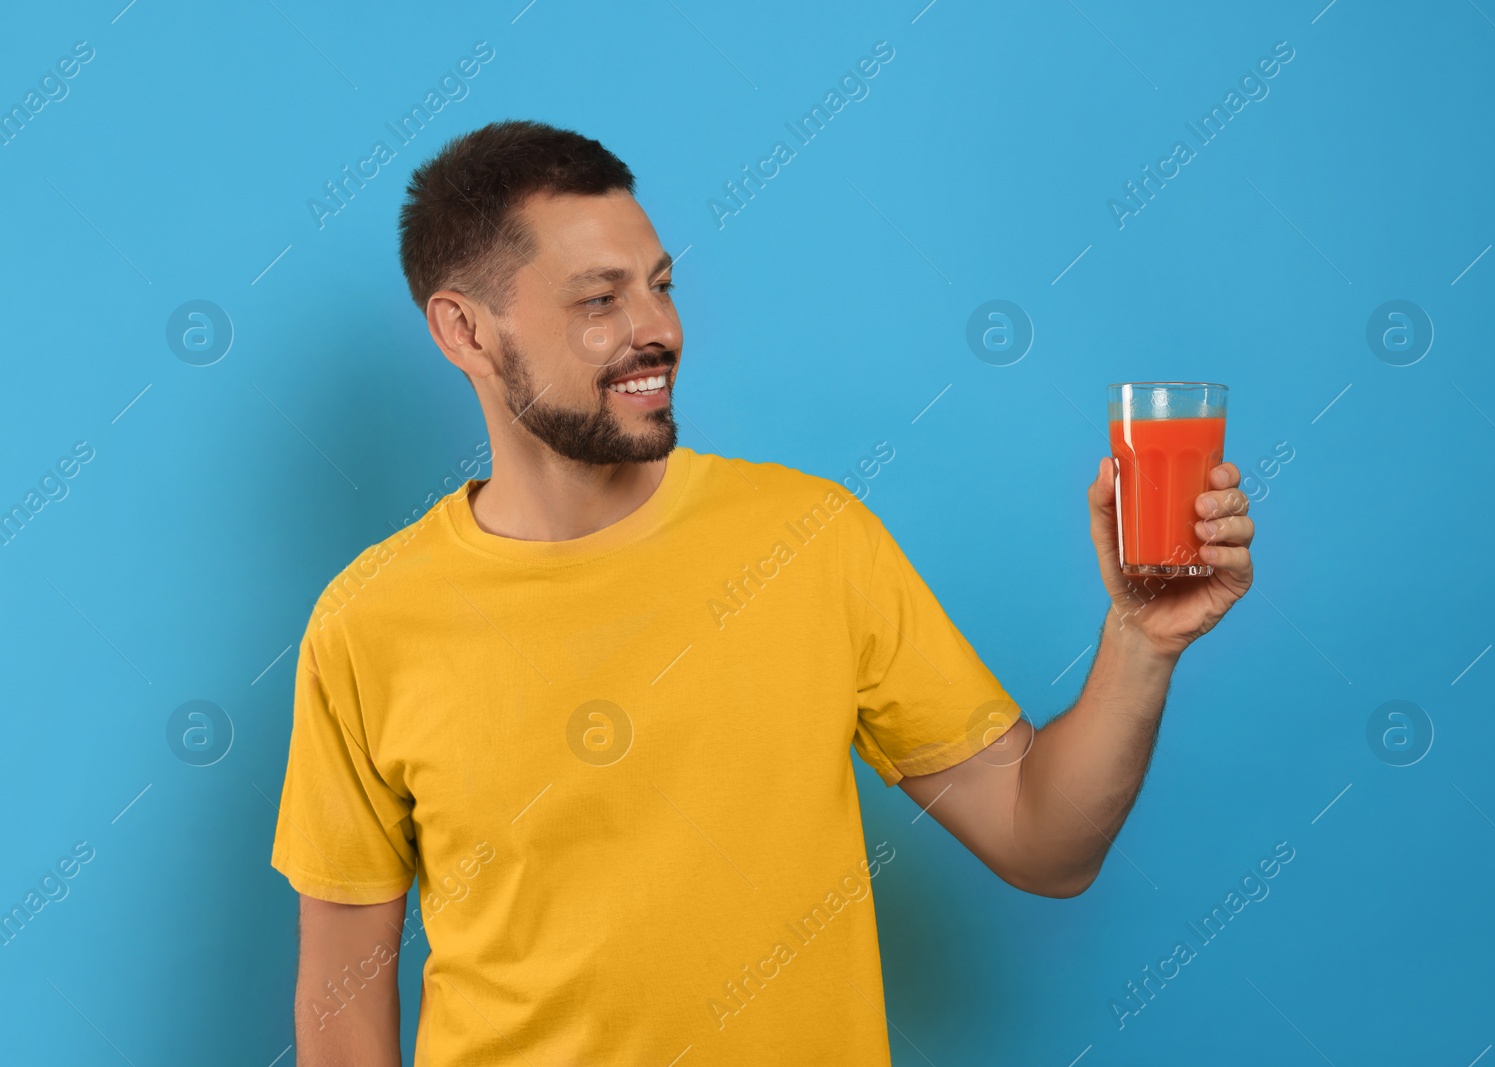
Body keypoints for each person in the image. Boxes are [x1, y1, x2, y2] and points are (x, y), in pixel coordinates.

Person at [269, 119, 1256, 1066]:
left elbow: (1044, 843)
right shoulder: (369, 622)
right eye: (598, 300)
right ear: (465, 331)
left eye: (659, 285)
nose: (658, 328)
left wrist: (1141, 641)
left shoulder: (810, 540)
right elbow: (340, 1010)